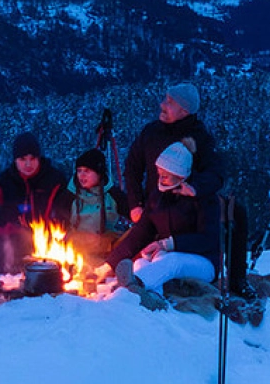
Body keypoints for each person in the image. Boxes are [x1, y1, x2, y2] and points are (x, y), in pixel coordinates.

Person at [107, 141, 221, 299]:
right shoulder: (158, 198)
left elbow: (208, 239)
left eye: (165, 176)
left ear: (180, 176)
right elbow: (140, 233)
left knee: (172, 261)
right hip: (165, 256)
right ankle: (154, 298)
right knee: (141, 263)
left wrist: (168, 244)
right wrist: (109, 264)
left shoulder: (203, 199)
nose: (160, 179)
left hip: (204, 262)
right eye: (159, 173)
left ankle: (130, 288)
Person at [0, 131, 70, 274]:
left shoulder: (55, 180)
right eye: (23, 159)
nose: (28, 164)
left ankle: (4, 265)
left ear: (39, 158)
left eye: (32, 158)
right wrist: (7, 227)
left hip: (47, 243)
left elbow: (64, 214)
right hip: (12, 243)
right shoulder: (4, 182)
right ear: (15, 160)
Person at [121, 82, 222, 220]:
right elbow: (132, 167)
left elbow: (215, 174)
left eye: (170, 102)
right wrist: (136, 204)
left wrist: (194, 188)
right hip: (152, 212)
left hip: (186, 217)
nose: (162, 105)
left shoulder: (201, 139)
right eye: (165, 100)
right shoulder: (151, 132)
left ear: (184, 111)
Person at [65, 148, 129, 264]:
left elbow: (132, 219)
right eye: (79, 171)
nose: (82, 175)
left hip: (107, 254)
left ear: (99, 173)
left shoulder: (114, 195)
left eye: (87, 171)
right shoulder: (69, 196)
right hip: (76, 255)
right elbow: (59, 225)